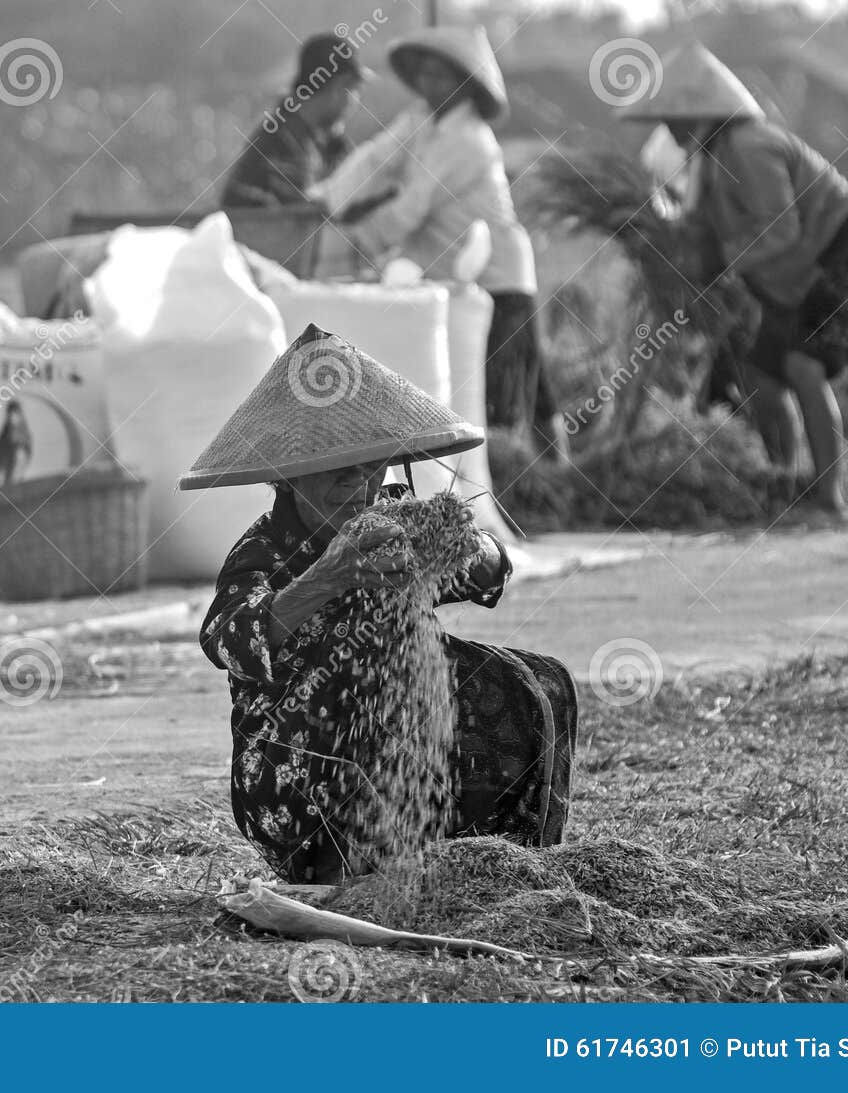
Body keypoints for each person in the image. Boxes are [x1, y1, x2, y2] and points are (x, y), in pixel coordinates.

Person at [183, 324, 576, 884]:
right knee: (370, 663)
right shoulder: (263, 549)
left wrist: (467, 543)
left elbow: (492, 572)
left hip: (402, 745)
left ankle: (508, 867)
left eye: (371, 467)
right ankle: (343, 867)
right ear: (289, 478)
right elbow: (226, 638)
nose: (358, 486)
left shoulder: (395, 521)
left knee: (543, 682)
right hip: (297, 777)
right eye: (336, 471)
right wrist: (327, 577)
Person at [619, 43, 848, 519]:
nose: (669, 128)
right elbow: (699, 236)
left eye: (673, 117)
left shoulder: (750, 146)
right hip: (796, 275)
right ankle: (781, 483)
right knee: (761, 375)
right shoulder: (706, 163)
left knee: (805, 367)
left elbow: (781, 231)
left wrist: (725, 259)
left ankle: (830, 500)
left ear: (700, 113)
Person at [310, 24, 568, 464]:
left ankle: (543, 482)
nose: (429, 84)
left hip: (500, 279)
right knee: (526, 386)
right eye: (424, 74)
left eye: (441, 76)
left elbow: (411, 208)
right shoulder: (420, 122)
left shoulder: (470, 141)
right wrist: (325, 198)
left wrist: (350, 241)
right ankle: (546, 476)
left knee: (514, 392)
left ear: (464, 83)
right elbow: (376, 157)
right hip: (462, 275)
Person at [219, 31, 370, 210]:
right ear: (339, 88)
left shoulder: (309, 136)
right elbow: (303, 219)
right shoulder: (283, 141)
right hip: (257, 236)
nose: (355, 101)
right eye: (354, 89)